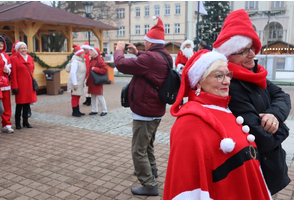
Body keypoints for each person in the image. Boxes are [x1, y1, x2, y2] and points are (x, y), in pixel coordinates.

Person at [164, 50, 272, 200]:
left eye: (228, 74)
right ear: (199, 81)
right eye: (218, 75)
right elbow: (185, 186)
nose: (227, 81)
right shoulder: (188, 124)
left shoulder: (224, 108)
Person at [213, 9, 291, 195]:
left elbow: (283, 96)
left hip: (271, 165)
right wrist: (284, 128)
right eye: (244, 51)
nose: (252, 54)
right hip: (255, 169)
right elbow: (261, 139)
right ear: (228, 54)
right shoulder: (229, 85)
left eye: (252, 48)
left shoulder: (256, 74)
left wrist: (273, 115)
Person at [114, 16, 170, 196]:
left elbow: (121, 65)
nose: (144, 45)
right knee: (147, 145)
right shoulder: (164, 55)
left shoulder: (151, 58)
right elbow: (149, 61)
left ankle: (148, 184)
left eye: (145, 42)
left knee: (138, 150)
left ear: (151, 43)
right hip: (155, 109)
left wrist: (119, 51)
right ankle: (151, 172)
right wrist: (137, 53)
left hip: (145, 111)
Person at [10, 41, 37, 129]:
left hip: (29, 84)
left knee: (27, 104)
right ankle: (18, 123)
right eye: (21, 48)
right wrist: (14, 86)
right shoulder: (14, 58)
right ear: (18, 50)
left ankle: (26, 122)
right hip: (20, 85)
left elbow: (32, 69)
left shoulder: (29, 57)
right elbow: (13, 73)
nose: (23, 50)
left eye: (24, 48)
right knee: (19, 104)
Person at [0, 35, 14, 134]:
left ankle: (7, 125)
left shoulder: (6, 55)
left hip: (5, 83)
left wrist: (8, 70)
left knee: (6, 105)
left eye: (1, 43)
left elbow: (10, 69)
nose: (0, 45)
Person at [87, 47, 108, 116]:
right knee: (93, 96)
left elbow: (104, 70)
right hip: (92, 81)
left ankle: (104, 110)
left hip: (97, 81)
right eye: (90, 52)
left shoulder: (100, 60)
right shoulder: (92, 59)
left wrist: (95, 69)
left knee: (99, 96)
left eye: (91, 52)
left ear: (95, 53)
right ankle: (94, 110)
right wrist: (87, 81)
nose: (90, 53)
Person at [67, 45, 87, 117]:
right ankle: (74, 111)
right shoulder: (75, 61)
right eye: (83, 53)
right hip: (75, 82)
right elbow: (73, 73)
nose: (84, 54)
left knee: (77, 96)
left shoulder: (81, 61)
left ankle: (77, 110)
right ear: (79, 54)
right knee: (74, 97)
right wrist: (75, 84)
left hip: (79, 81)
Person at [81, 42, 92, 106]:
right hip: (86, 74)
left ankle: (89, 100)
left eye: (85, 49)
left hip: (87, 74)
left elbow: (87, 66)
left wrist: (86, 75)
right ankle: (87, 100)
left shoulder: (86, 56)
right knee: (85, 88)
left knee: (87, 88)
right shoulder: (86, 56)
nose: (84, 50)